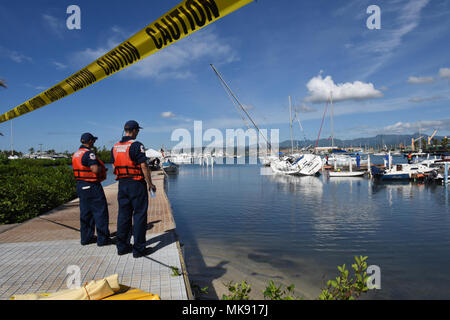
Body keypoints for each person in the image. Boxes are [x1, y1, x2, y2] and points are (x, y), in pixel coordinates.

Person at [111, 120, 157, 258]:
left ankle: (122, 247)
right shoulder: (137, 145)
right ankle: (139, 249)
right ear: (135, 130)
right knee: (139, 216)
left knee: (123, 216)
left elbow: (114, 167)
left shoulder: (115, 147)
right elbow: (144, 166)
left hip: (122, 184)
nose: (138, 133)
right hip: (136, 184)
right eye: (138, 130)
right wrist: (150, 184)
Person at [72, 133, 111, 246]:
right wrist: (102, 169)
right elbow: (94, 169)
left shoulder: (76, 154)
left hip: (81, 185)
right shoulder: (89, 154)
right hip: (92, 186)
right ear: (89, 141)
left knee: (85, 213)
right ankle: (103, 240)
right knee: (100, 212)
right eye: (93, 140)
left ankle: (86, 238)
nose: (94, 142)